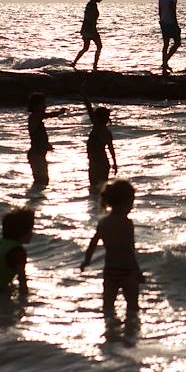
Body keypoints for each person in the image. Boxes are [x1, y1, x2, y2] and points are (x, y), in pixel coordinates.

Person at [80, 179, 144, 323]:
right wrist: (137, 271)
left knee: (108, 307)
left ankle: (110, 332)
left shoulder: (104, 223)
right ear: (123, 202)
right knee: (133, 307)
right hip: (127, 271)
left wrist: (86, 261)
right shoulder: (127, 224)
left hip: (110, 271)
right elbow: (129, 249)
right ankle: (131, 331)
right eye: (131, 202)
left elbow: (92, 243)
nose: (132, 206)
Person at [26, 91, 65, 188]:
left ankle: (36, 199)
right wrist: (59, 113)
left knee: (42, 182)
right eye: (42, 104)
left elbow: (39, 137)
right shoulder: (35, 116)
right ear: (35, 106)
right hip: (36, 155)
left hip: (39, 155)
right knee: (41, 182)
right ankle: (35, 200)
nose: (45, 106)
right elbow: (47, 115)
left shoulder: (37, 119)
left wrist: (47, 144)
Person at [82, 92, 117, 187]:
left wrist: (84, 95)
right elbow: (111, 148)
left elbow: (89, 109)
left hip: (96, 163)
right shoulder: (107, 131)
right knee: (101, 188)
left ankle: (95, 201)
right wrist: (115, 163)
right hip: (104, 163)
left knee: (93, 188)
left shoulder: (98, 127)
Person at [72, 0, 105, 71]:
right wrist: (92, 28)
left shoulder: (91, 4)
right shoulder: (91, 5)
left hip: (87, 29)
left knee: (86, 48)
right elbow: (88, 17)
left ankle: (74, 63)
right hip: (90, 30)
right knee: (99, 46)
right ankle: (94, 66)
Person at [158, 0, 181, 74]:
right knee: (177, 42)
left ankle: (164, 64)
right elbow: (172, 9)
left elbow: (160, 9)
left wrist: (161, 20)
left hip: (163, 22)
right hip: (170, 22)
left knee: (166, 44)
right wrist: (176, 24)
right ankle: (165, 62)